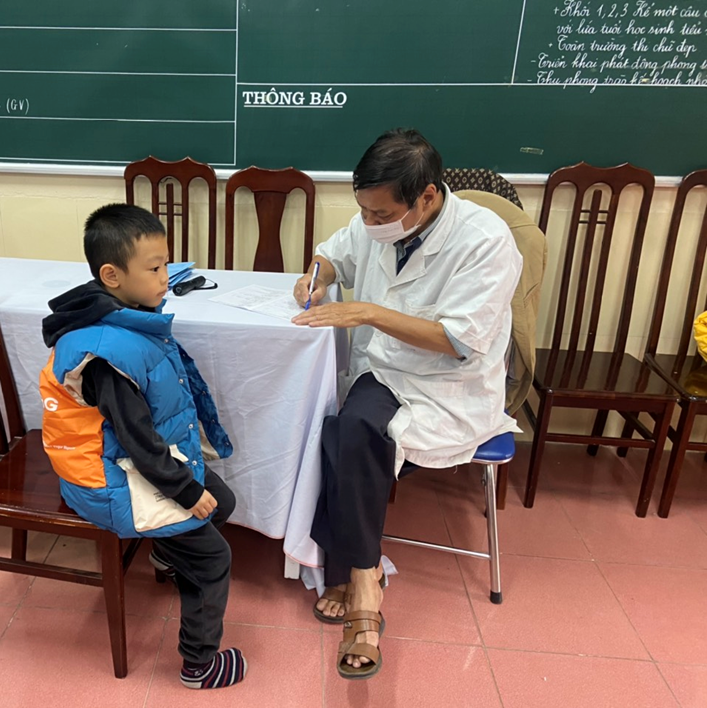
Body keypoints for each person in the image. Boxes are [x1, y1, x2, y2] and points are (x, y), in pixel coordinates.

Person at [291, 128, 522, 679]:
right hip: (385, 369)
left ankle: (357, 583)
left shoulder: (485, 240)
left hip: (448, 382)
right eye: (364, 211)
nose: (370, 223)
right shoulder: (374, 220)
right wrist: (315, 278)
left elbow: (458, 340)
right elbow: (333, 255)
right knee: (345, 427)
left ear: (427, 196)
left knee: (353, 435)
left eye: (381, 214)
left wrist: (367, 312)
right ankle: (363, 572)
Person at [39, 204, 247, 689]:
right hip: (106, 478)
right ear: (112, 276)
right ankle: (198, 664)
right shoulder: (105, 353)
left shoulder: (126, 319)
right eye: (154, 269)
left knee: (224, 502)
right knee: (214, 558)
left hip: (131, 460)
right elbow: (137, 441)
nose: (165, 277)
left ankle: (168, 553)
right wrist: (186, 492)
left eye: (166, 264)